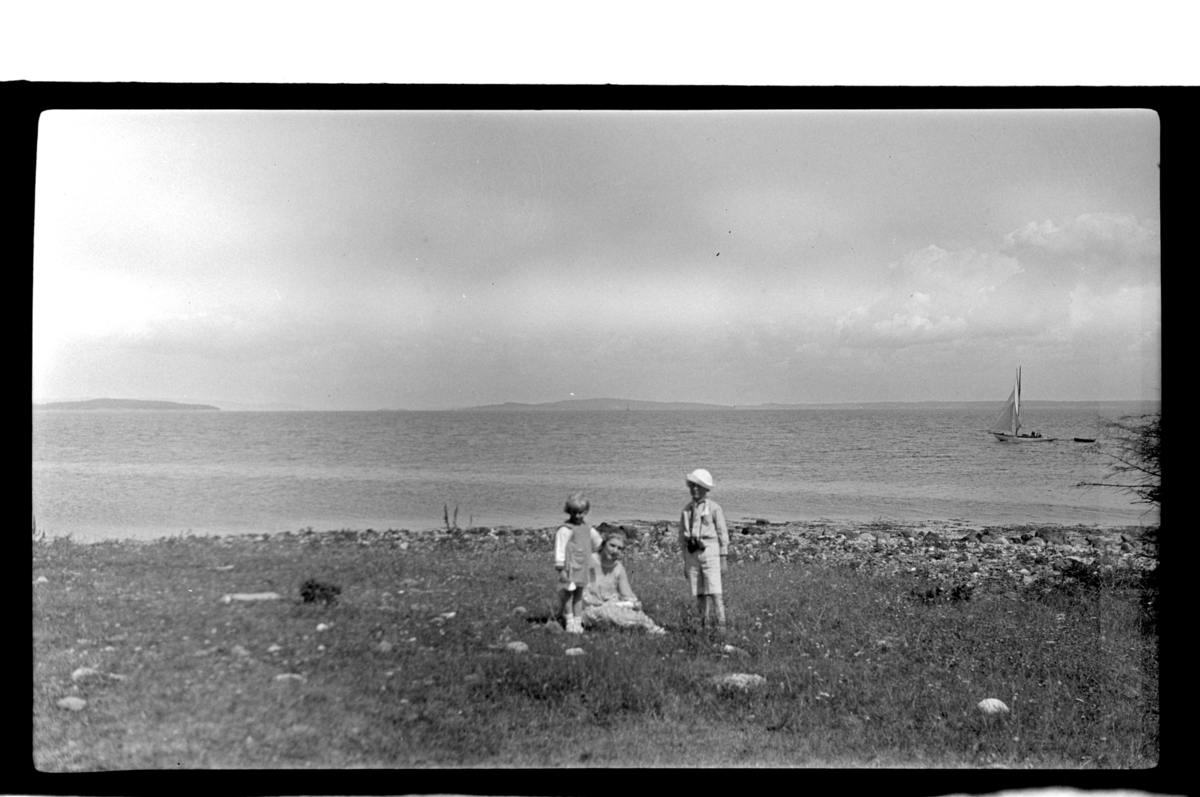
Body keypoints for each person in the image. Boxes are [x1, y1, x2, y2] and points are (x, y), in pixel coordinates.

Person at [579, 531, 667, 634]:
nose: (615, 551)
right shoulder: (588, 562)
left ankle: (649, 627)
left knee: (629, 611)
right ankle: (648, 628)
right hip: (589, 609)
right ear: (603, 544)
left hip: (613, 606)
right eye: (612, 545)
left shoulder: (618, 568)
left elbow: (628, 594)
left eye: (619, 548)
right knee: (609, 612)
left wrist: (634, 603)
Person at [679, 468, 729, 630]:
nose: (695, 489)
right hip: (692, 553)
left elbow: (722, 534)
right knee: (699, 592)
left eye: (698, 487)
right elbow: (681, 537)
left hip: (711, 552)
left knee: (715, 592)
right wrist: (685, 561)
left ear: (706, 489)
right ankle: (703, 625)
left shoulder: (714, 508)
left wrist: (723, 558)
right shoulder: (687, 510)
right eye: (692, 486)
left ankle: (721, 626)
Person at [553, 492, 602, 634]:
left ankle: (577, 621)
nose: (578, 516)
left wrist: (602, 552)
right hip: (569, 567)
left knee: (579, 594)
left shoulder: (589, 529)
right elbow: (560, 549)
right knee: (568, 594)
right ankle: (569, 621)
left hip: (583, 567)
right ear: (569, 512)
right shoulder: (565, 530)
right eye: (574, 512)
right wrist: (560, 568)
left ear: (586, 512)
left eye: (581, 512)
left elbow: (598, 543)